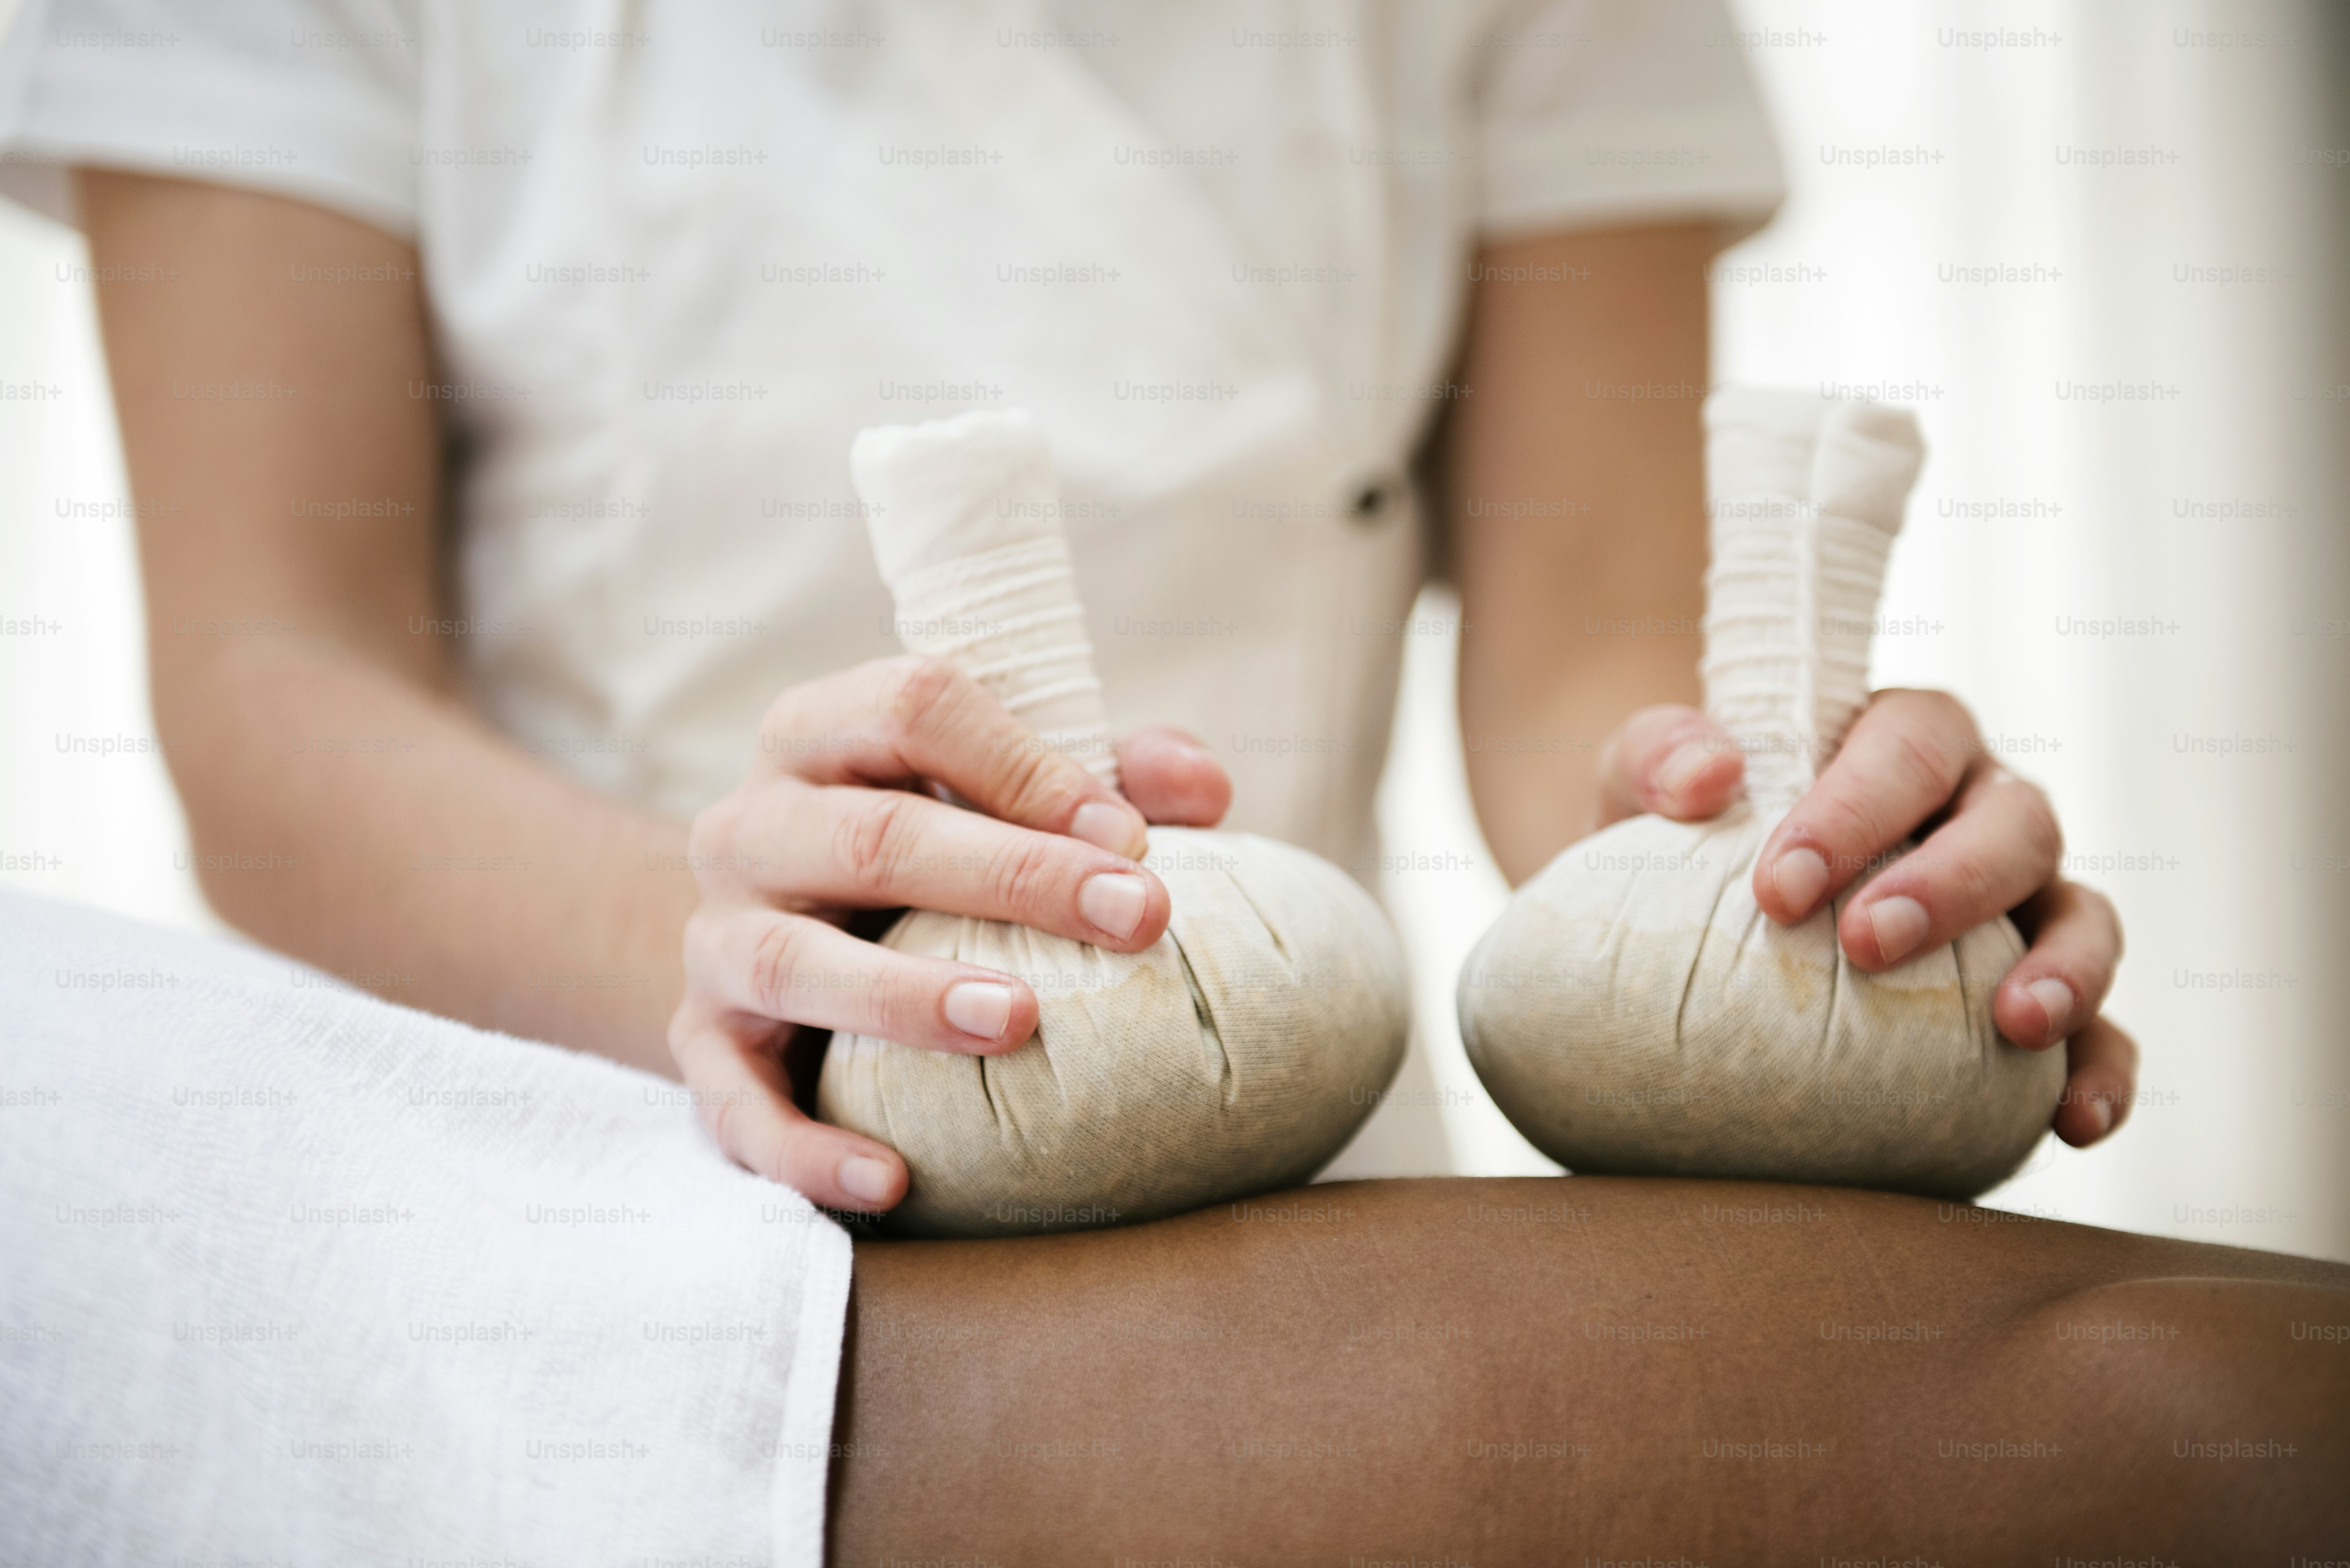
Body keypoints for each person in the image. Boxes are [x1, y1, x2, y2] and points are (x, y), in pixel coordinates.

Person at [1, 3, 2278, 1558]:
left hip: (1313, 1224)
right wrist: (765, 966)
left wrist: (1771, 853)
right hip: (591, 1166)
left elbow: (1581, 640)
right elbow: (275, 688)